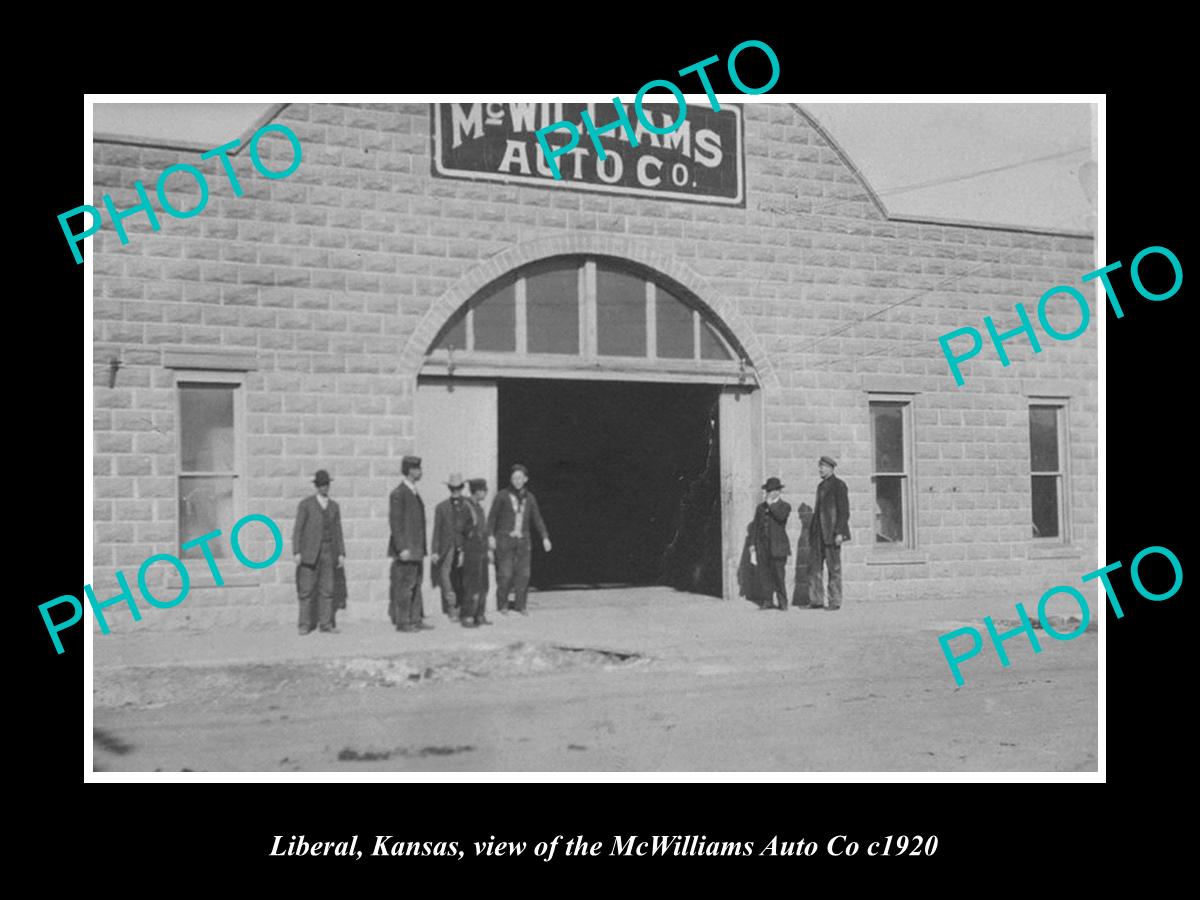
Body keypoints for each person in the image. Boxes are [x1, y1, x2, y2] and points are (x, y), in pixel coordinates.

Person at [487, 464, 552, 616]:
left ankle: (520, 605)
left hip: (523, 541)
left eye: (520, 478)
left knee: (524, 574)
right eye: (514, 478)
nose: (517, 481)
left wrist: (545, 537)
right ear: (510, 479)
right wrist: (490, 536)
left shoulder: (530, 498)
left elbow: (537, 519)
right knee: (506, 573)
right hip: (505, 539)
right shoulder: (502, 495)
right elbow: (492, 518)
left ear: (526, 479)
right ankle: (502, 604)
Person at [292, 469, 346, 635]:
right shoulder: (306, 504)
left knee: (327, 589)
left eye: (326, 485)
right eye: (321, 485)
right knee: (307, 590)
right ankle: (304, 625)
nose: (324, 488)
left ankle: (326, 624)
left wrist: (341, 553)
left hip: (329, 552)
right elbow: (298, 530)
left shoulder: (334, 506)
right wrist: (297, 552)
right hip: (309, 553)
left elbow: (338, 531)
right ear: (316, 486)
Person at [388, 455, 430, 632]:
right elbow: (395, 523)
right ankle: (403, 622)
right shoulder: (399, 493)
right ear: (410, 470)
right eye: (417, 469)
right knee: (405, 586)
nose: (420, 472)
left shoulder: (413, 491)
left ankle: (415, 618)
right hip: (407, 549)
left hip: (416, 548)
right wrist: (402, 547)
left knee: (416, 584)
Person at [807, 455, 851, 610]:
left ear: (832, 469)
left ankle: (835, 601)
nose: (820, 469)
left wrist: (839, 532)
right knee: (815, 568)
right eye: (819, 466)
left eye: (824, 467)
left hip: (832, 534)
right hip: (818, 535)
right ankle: (816, 600)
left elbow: (844, 512)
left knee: (834, 568)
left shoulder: (839, 486)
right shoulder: (820, 487)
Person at [431, 473, 472, 620]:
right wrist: (435, 550)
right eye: (453, 488)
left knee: (462, 577)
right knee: (445, 574)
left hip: (463, 546)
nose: (456, 491)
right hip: (447, 547)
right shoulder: (441, 507)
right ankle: (452, 606)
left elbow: (471, 528)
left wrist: (465, 549)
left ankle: (464, 607)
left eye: (459, 487)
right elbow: (437, 530)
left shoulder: (468, 506)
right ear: (449, 488)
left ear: (462, 488)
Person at [750, 476, 791, 610]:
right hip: (763, 547)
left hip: (778, 547)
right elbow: (755, 527)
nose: (768, 493)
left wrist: (770, 505)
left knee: (779, 576)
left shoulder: (784, 506)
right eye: (767, 490)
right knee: (765, 575)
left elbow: (781, 517)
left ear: (778, 492)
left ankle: (782, 602)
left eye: (772, 490)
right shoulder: (760, 508)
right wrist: (752, 546)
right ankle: (767, 601)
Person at [459, 478, 493, 628]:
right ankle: (468, 616)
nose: (485, 492)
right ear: (477, 491)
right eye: (484, 490)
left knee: (483, 585)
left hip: (482, 550)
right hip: (472, 551)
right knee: (472, 585)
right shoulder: (466, 507)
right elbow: (459, 531)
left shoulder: (479, 508)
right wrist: (460, 550)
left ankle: (479, 614)